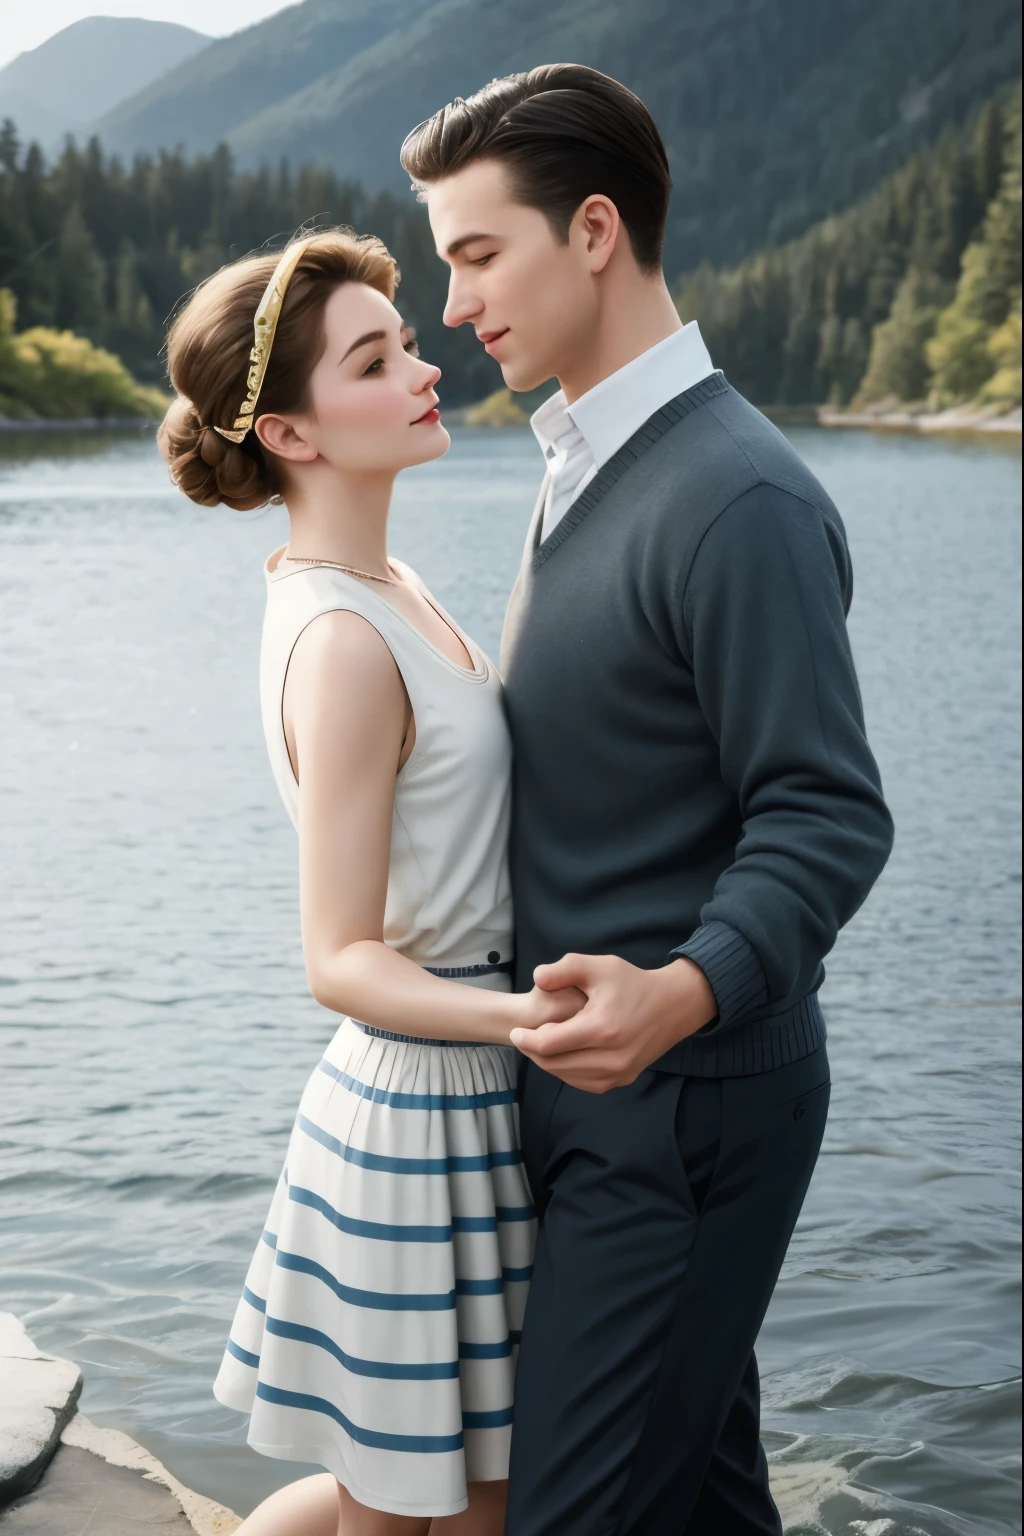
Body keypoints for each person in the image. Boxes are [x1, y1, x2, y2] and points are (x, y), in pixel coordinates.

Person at [400, 65, 895, 1535]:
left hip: (683, 1109)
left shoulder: (737, 500)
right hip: (592, 1099)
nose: (452, 306)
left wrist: (678, 996)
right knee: (698, 1502)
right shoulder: (587, 461)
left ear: (595, 230)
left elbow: (826, 813)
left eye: (477, 254)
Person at [157, 229, 582, 1536]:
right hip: (419, 1116)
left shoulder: (379, 581)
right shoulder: (344, 636)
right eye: (375, 358)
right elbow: (338, 958)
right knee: (453, 1510)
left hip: (458, 1095)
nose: (426, 366)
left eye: (404, 343)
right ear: (289, 433)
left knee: (395, 1497)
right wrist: (534, 1018)